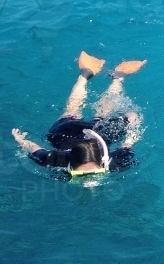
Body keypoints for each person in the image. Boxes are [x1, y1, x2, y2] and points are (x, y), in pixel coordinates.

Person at [12, 51, 146, 177]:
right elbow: (127, 144)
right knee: (105, 116)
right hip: (92, 134)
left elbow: (34, 148)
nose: (88, 181)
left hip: (64, 133)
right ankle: (107, 77)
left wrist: (21, 140)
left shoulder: (52, 160)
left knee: (74, 110)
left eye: (96, 172)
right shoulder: (58, 161)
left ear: (102, 163)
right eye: (79, 175)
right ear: (70, 166)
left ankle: (98, 75)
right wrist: (132, 122)